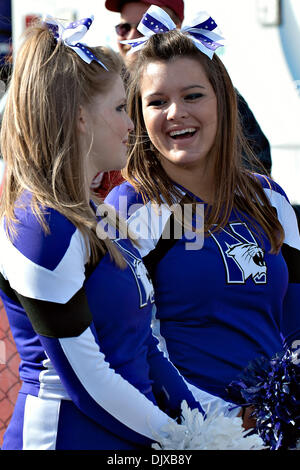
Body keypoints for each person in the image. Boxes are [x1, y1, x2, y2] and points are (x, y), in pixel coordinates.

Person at [0, 15, 211, 450]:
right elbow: (85, 382)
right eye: (119, 108)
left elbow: (144, 349)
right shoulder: (40, 226)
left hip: (130, 439)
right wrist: (185, 442)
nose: (132, 124)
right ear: (80, 117)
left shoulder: (102, 216)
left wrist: (206, 426)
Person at [106, 6, 300, 406]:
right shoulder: (129, 209)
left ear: (223, 102)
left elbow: (295, 318)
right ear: (139, 116)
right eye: (157, 101)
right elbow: (129, 348)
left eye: (193, 95)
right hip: (185, 433)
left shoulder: (270, 199)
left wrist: (285, 408)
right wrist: (217, 423)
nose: (177, 113)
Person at [98, 0, 272, 200]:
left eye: (146, 24)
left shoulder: (221, 94)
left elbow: (256, 162)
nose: (131, 36)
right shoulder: (103, 98)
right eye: (123, 28)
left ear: (175, 28)